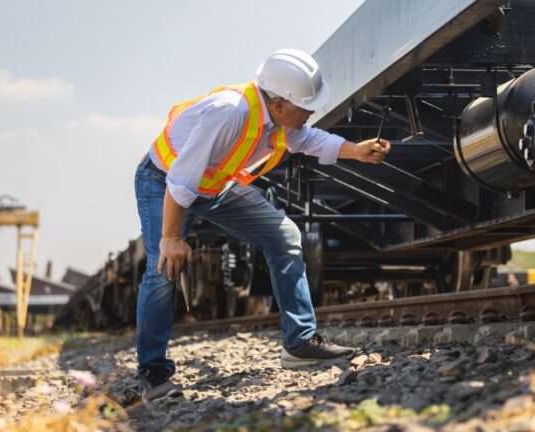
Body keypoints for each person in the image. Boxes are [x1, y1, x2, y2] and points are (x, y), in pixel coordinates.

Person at [134, 48, 391, 401]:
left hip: (215, 186)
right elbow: (180, 182)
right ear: (281, 104)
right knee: (163, 268)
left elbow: (309, 140)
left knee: (284, 235)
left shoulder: (278, 117)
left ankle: (299, 342)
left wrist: (355, 150)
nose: (312, 112)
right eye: (306, 106)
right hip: (162, 182)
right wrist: (170, 237)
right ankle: (153, 375)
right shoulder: (229, 113)